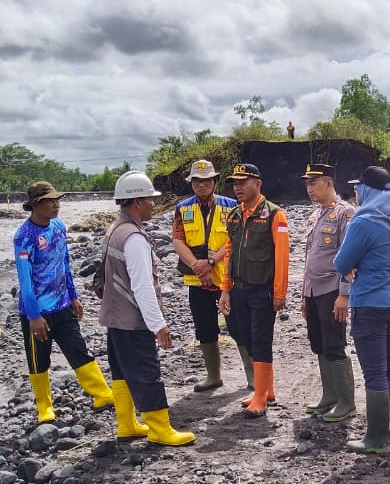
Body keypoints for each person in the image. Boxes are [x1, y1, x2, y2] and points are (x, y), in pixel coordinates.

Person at [98, 171, 194, 446]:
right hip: (132, 319)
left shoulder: (116, 229)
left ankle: (127, 424)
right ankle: (159, 427)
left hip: (114, 316)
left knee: (121, 370)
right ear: (137, 201)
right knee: (146, 372)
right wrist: (158, 324)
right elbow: (142, 286)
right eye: (151, 200)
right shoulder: (134, 238)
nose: (154, 204)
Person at [14, 181, 115, 426]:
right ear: (36, 205)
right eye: (50, 201)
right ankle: (45, 407)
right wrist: (33, 316)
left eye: (57, 200)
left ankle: (102, 394)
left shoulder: (58, 227)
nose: (56, 205)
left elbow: (65, 264)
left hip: (62, 305)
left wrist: (73, 296)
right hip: (37, 311)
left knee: (78, 349)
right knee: (39, 359)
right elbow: (25, 280)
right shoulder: (24, 236)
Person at [333, 166, 390, 453]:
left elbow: (341, 263)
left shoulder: (363, 221)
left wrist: (353, 266)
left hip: (372, 302)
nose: (355, 193)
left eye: (359, 188)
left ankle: (376, 438)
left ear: (367, 191)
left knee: (375, 372)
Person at [219, 163, 290, 417]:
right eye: (235, 184)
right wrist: (225, 289)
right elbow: (229, 253)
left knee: (261, 341)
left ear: (258, 183)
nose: (238, 188)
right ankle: (266, 389)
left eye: (243, 182)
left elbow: (282, 257)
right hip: (239, 288)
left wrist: (280, 293)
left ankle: (260, 396)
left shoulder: (274, 214)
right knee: (244, 337)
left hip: (263, 290)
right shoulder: (234, 215)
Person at [171, 160, 238, 393]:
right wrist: (197, 266)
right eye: (197, 180)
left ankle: (251, 378)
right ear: (191, 183)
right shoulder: (182, 208)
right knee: (204, 328)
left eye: (207, 180)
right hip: (196, 280)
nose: (202, 184)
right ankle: (213, 377)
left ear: (215, 181)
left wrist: (211, 262)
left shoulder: (231, 206)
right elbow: (178, 239)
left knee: (238, 326)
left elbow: (234, 239)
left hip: (226, 279)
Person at [300, 163, 356, 422]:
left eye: (314, 182)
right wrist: (304, 294)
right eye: (307, 183)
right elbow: (309, 257)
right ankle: (329, 396)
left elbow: (349, 257)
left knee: (335, 345)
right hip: (314, 291)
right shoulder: (315, 215)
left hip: (332, 290)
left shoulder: (345, 214)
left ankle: (346, 402)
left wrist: (344, 294)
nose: (309, 188)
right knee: (319, 343)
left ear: (329, 182)